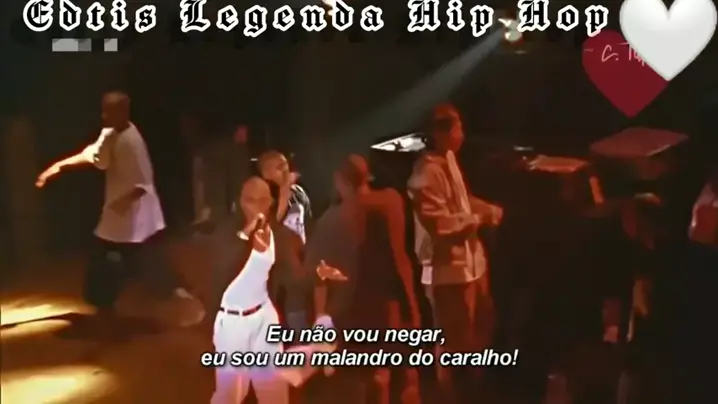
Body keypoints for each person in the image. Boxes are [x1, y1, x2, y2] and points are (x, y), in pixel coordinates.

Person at [35, 92, 198, 329]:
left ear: (123, 112)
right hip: (119, 218)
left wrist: (123, 203)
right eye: (104, 111)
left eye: (110, 111)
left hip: (136, 217)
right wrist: (58, 167)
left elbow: (144, 184)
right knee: (128, 260)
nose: (104, 116)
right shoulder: (110, 133)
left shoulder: (132, 143)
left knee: (141, 261)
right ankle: (112, 304)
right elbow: (93, 155)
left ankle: (180, 299)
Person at [207, 176, 344, 404]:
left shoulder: (281, 237)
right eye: (249, 200)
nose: (256, 206)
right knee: (230, 395)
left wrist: (318, 274)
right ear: (239, 201)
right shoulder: (226, 233)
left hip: (264, 317)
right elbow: (223, 270)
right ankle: (320, 350)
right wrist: (246, 236)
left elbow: (295, 278)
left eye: (262, 200)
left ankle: (320, 349)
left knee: (273, 391)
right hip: (232, 323)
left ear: (271, 202)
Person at [407, 103, 503, 403]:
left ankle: (472, 392)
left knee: (480, 332)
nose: (462, 133)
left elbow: (463, 201)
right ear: (439, 132)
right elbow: (441, 225)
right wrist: (480, 218)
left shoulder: (449, 160)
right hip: (449, 273)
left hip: (472, 267)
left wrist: (487, 208)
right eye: (456, 127)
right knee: (455, 346)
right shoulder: (425, 173)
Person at [309, 154, 421, 404]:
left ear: (339, 181)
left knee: (360, 382)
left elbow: (317, 273)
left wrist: (321, 319)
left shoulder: (333, 219)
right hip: (391, 306)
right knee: (390, 375)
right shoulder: (392, 201)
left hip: (352, 311)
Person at [257, 150, 312, 329]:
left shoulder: (299, 193)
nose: (286, 170)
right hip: (274, 263)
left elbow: (308, 222)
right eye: (279, 167)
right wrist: (283, 193)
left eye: (286, 165)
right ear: (266, 173)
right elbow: (269, 225)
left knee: (298, 303)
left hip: (298, 259)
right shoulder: (262, 197)